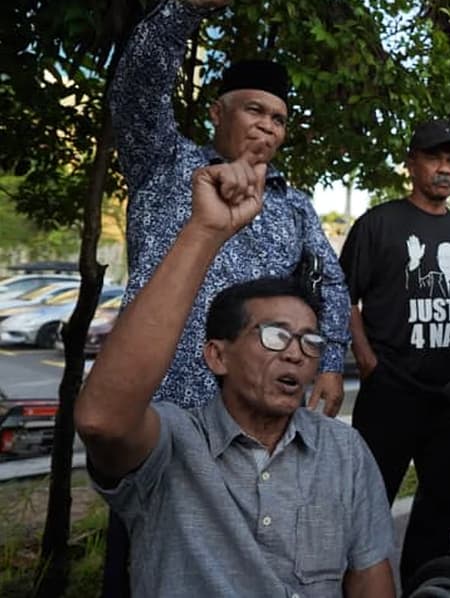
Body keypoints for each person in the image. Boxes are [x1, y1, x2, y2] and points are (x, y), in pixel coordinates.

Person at [106, 0, 350, 592]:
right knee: (144, 569)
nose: (268, 127)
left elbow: (330, 284)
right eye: (254, 110)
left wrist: (331, 361)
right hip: (160, 423)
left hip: (246, 431)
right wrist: (183, 7)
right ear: (218, 114)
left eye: (279, 119)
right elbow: (134, 91)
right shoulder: (166, 164)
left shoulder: (293, 206)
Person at [75, 150, 396, 598]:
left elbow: (369, 575)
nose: (296, 354)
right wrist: (205, 231)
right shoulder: (172, 446)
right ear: (216, 356)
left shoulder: (343, 451)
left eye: (310, 341)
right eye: (274, 336)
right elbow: (101, 419)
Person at [340, 120, 450, 587]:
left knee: (442, 508)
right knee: (366, 505)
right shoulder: (378, 224)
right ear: (411, 164)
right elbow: (342, 297)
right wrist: (366, 358)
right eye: (434, 158)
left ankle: (426, 589)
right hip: (391, 391)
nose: (445, 169)